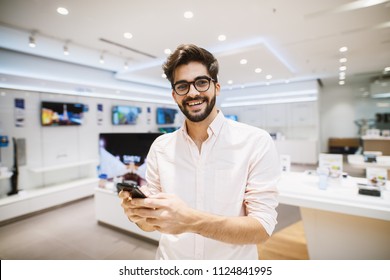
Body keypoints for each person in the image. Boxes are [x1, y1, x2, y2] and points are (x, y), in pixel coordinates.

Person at [119, 44, 280, 260]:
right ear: (175, 95)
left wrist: (190, 220)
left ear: (217, 87)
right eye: (182, 86)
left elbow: (262, 228)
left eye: (202, 82)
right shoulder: (161, 147)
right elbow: (151, 225)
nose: (193, 92)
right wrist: (137, 215)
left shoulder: (255, 142)